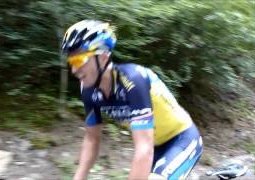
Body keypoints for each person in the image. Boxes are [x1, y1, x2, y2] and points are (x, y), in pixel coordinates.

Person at [61, 19, 203, 180]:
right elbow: (91, 139)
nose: (74, 69)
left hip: (182, 139)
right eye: (71, 61)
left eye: (79, 60)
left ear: (102, 56)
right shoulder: (88, 90)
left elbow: (143, 148)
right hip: (156, 147)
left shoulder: (134, 80)